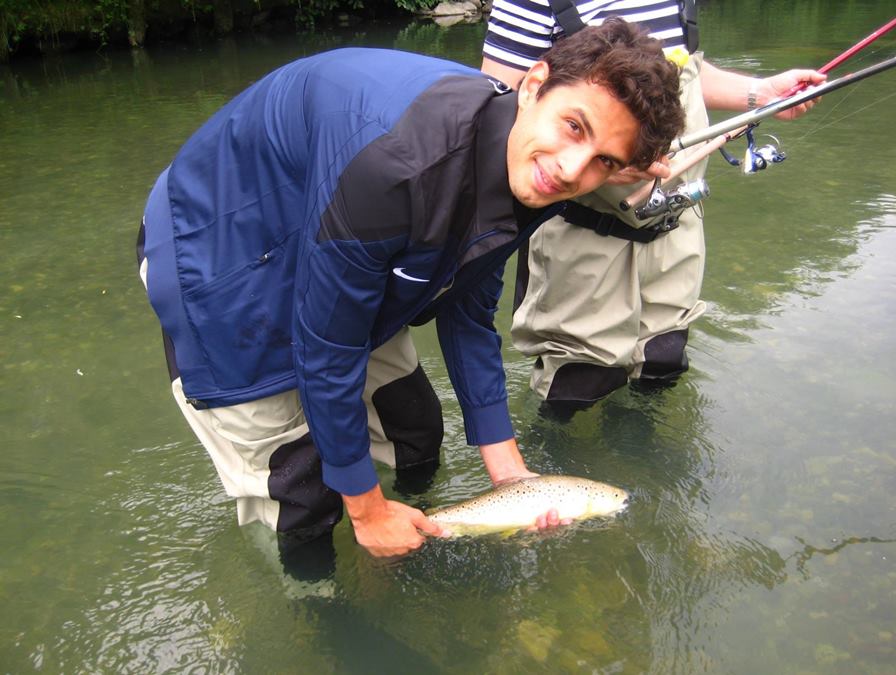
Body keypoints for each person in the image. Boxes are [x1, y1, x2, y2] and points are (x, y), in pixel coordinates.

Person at [136, 20, 685, 559]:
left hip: (337, 230)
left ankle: (403, 542)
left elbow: (470, 310)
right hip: (221, 256)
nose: (569, 169)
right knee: (300, 493)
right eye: (574, 127)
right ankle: (312, 594)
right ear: (534, 84)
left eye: (603, 161)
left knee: (413, 431)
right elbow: (327, 350)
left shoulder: (529, 169)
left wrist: (510, 474)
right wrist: (366, 511)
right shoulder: (396, 164)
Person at [482, 1, 825, 417]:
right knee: (579, 381)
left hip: (675, 222)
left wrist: (758, 93)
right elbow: (498, 106)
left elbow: (685, 72)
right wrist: (604, 160)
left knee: (663, 359)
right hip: (581, 228)